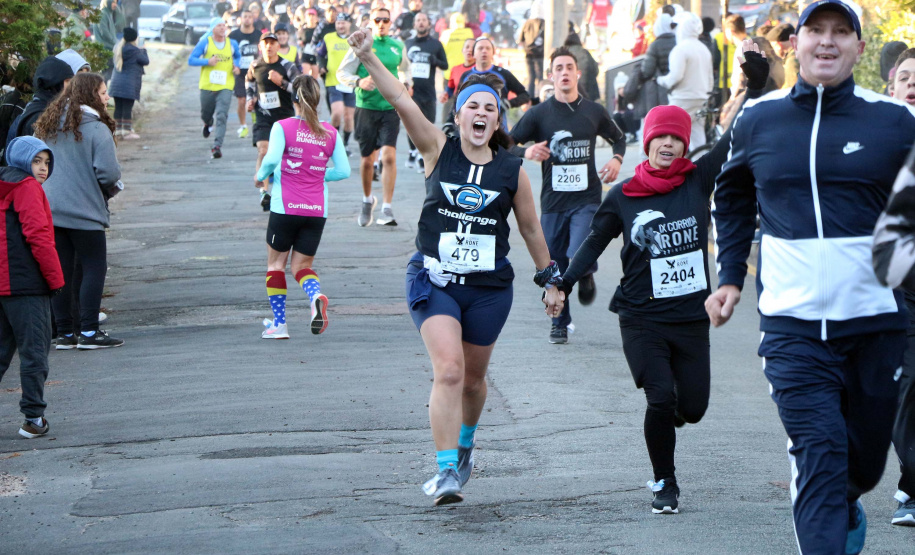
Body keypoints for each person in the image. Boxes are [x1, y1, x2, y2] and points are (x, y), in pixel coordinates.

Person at [707, 2, 915, 552]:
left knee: (864, 465)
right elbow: (730, 196)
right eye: (815, 31)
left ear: (860, 48)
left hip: (876, 323)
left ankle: (840, 495)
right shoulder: (759, 117)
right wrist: (729, 275)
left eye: (840, 32)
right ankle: (822, 496)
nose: (827, 42)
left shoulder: (894, 122)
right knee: (821, 453)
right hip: (792, 327)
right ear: (793, 44)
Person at [345, 23, 562, 506]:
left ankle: (465, 446)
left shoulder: (512, 170)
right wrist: (368, 57)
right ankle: (445, 473)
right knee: (448, 370)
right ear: (459, 115)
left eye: (490, 107)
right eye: (473, 106)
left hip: (488, 289)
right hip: (434, 280)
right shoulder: (436, 151)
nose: (481, 113)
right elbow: (402, 100)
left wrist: (551, 281)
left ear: (498, 120)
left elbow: (530, 230)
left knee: (474, 380)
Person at [558, 43, 768, 515]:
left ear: (683, 143)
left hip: (691, 317)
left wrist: (753, 87)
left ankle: (669, 422)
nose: (669, 145)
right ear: (648, 144)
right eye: (661, 139)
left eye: (676, 138)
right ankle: (663, 482)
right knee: (661, 395)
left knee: (691, 408)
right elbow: (593, 243)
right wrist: (566, 281)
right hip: (641, 317)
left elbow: (733, 137)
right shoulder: (624, 196)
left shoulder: (698, 179)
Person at [510, 46, 626, 344]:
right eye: (558, 68)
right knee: (554, 267)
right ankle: (559, 323)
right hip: (553, 204)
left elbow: (619, 138)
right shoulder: (538, 114)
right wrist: (527, 150)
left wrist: (616, 159)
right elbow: (504, 144)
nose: (564, 72)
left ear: (577, 73)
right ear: (551, 76)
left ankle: (585, 269)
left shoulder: (593, 111)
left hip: (586, 200)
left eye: (568, 67)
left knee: (578, 254)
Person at [33, 72, 125, 350]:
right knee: (94, 267)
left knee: (61, 269)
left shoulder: (47, 125)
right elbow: (108, 173)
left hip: (51, 208)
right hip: (85, 211)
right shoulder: (97, 129)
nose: (107, 97)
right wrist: (110, 189)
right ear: (91, 96)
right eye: (103, 92)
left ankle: (64, 333)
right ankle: (88, 332)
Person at [256, 75, 351, 339]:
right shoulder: (330, 132)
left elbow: (272, 158)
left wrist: (260, 175)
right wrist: (319, 174)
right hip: (316, 210)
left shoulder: (282, 126)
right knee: (302, 267)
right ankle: (315, 296)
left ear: (293, 99)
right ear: (319, 100)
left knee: (276, 265)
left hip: (285, 207)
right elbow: (343, 171)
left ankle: (279, 324)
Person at [0, 136, 65, 439]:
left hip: (3, 285)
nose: (42, 169)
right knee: (35, 352)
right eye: (37, 161)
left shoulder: (4, 183)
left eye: (47, 162)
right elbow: (38, 237)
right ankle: (33, 417)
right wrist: (56, 280)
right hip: (27, 285)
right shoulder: (27, 188)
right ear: (23, 161)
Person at [874, 47, 915, 527]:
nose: (912, 83)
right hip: (897, 290)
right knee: (908, 384)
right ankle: (910, 486)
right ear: (892, 86)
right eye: (905, 76)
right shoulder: (877, 140)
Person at [337, 7, 406, 227]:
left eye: (386, 20)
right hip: (366, 107)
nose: (382, 23)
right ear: (371, 22)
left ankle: (387, 208)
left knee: (388, 157)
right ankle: (368, 200)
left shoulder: (397, 46)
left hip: (390, 107)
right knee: (367, 161)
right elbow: (342, 72)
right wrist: (359, 81)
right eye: (378, 20)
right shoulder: (362, 43)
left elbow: (405, 69)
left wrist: (408, 83)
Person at [246, 32, 301, 210]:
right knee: (264, 149)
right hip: (263, 115)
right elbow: (249, 82)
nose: (269, 46)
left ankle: (284, 192)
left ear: (278, 46)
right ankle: (263, 193)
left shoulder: (288, 66)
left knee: (284, 157)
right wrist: (250, 98)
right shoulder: (255, 65)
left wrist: (282, 83)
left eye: (272, 43)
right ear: (260, 47)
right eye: (265, 43)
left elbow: (301, 90)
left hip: (284, 117)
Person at [657, 12, 713, 150]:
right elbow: (710, 77)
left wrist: (661, 80)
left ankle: (670, 166)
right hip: (701, 97)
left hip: (683, 98)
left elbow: (675, 76)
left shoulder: (680, 49)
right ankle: (700, 166)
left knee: (670, 132)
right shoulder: (704, 48)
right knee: (697, 135)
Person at [188, 18, 242, 159]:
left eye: (224, 25)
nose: (223, 28)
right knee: (206, 113)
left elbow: (237, 56)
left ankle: (217, 146)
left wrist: (236, 66)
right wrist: (207, 61)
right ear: (213, 28)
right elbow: (191, 59)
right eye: (219, 25)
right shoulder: (205, 43)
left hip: (226, 85)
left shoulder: (232, 44)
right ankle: (208, 122)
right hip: (207, 85)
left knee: (222, 115)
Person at [404, 12, 448, 172]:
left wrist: (434, 61)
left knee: (428, 125)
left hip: (429, 92)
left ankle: (422, 155)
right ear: (414, 25)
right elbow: (401, 66)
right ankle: (414, 153)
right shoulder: (407, 43)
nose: (421, 23)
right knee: (412, 124)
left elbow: (445, 65)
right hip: (411, 91)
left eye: (424, 20)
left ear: (429, 24)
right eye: (418, 20)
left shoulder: (436, 44)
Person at [455, 37, 530, 126]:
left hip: (498, 129)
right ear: (473, 54)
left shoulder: (503, 74)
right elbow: (457, 101)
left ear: (493, 53)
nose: (484, 51)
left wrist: (508, 103)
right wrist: (450, 123)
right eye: (480, 48)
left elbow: (525, 95)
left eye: (488, 48)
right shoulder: (466, 76)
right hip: (471, 127)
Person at [5, 57, 73, 146]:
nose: (71, 86)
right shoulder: (39, 115)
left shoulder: (45, 108)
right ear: (54, 83)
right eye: (68, 81)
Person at [318, 13, 355, 155]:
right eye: (338, 23)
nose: (340, 25)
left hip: (351, 81)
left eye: (343, 23)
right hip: (333, 80)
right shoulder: (328, 38)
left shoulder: (354, 39)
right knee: (337, 113)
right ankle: (333, 142)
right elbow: (320, 54)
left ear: (349, 24)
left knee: (348, 117)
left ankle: (345, 144)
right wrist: (321, 65)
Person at [109, 27, 150, 140]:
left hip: (116, 84)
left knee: (118, 107)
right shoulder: (135, 50)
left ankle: (117, 130)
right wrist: (143, 49)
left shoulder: (118, 48)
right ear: (135, 38)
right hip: (129, 85)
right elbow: (145, 61)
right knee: (127, 108)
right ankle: (127, 131)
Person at [635, 13, 675, 125]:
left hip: (660, 88)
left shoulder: (655, 45)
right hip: (677, 86)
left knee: (662, 120)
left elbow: (647, 70)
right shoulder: (678, 41)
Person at [229, 10, 261, 139]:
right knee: (242, 100)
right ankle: (243, 126)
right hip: (240, 73)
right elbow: (227, 53)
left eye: (249, 17)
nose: (247, 19)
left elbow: (264, 52)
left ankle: (256, 121)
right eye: (244, 17)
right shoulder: (233, 35)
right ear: (240, 19)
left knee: (256, 100)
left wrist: (259, 63)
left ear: (253, 19)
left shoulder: (259, 35)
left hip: (256, 72)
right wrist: (233, 66)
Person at [440, 37, 474, 119]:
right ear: (462, 50)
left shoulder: (480, 70)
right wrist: (445, 94)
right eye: (467, 47)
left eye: (473, 48)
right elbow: (451, 88)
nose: (469, 50)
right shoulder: (455, 69)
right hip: (458, 109)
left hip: (474, 111)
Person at [517, 2, 545, 99]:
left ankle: (530, 98)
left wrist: (526, 47)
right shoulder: (544, 23)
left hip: (528, 53)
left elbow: (520, 39)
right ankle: (541, 98)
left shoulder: (527, 23)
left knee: (531, 77)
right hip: (540, 54)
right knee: (540, 77)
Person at [563, 33, 599, 101]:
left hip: (569, 91)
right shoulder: (585, 53)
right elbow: (596, 70)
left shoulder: (564, 54)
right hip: (588, 91)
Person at [765, 23, 796, 90]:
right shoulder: (802, 52)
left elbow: (793, 91)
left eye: (773, 47)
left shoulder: (792, 61)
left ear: (778, 45)